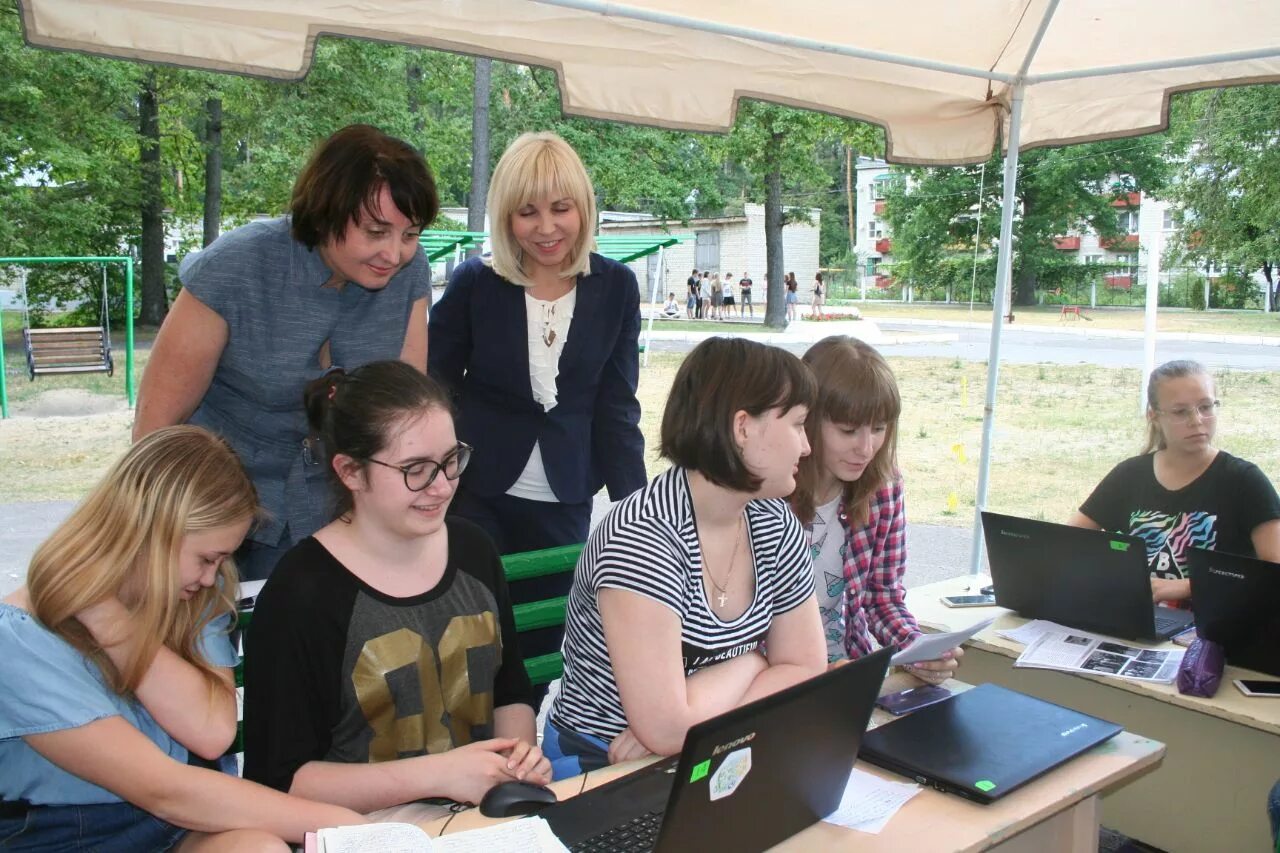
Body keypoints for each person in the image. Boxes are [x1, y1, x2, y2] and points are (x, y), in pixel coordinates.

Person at [0, 426, 362, 851]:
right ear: (145, 534)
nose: (211, 577)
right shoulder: (17, 641)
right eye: (206, 559)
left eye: (223, 560)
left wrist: (107, 614)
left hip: (180, 821)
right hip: (65, 836)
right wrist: (343, 825)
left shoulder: (190, 595)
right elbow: (165, 790)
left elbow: (209, 732)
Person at [243, 361, 549, 820]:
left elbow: (509, 693)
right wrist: (440, 775)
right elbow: (280, 779)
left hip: (481, 815)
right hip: (361, 829)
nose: (442, 486)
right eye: (416, 469)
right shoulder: (301, 593)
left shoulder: (473, 549)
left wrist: (517, 755)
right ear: (350, 472)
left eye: (451, 461)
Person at [133, 124, 439, 581]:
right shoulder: (235, 267)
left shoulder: (410, 276)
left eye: (410, 234)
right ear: (327, 212)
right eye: (375, 231)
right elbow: (154, 428)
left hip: (334, 510)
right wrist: (155, 534)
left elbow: (403, 416)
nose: (394, 254)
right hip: (210, 510)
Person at [544, 338, 827, 779]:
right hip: (600, 762)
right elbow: (666, 727)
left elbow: (807, 667)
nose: (807, 447)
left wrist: (693, 725)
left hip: (705, 748)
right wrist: (755, 662)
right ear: (742, 427)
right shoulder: (643, 539)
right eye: (797, 425)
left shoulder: (774, 521)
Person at [427, 131, 646, 698]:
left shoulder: (617, 287)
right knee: (467, 641)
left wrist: (639, 508)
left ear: (583, 209)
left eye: (560, 208)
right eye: (527, 212)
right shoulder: (477, 281)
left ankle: (516, 757)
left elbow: (617, 406)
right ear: (506, 216)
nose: (546, 228)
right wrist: (434, 472)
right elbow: (435, 386)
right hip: (475, 492)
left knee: (541, 645)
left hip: (565, 496)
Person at [789, 336, 961, 683]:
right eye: (848, 430)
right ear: (807, 420)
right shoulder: (769, 494)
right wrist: (817, 673)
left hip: (850, 675)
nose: (866, 448)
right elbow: (742, 629)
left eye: (879, 429)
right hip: (778, 682)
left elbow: (882, 597)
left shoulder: (884, 487)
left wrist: (917, 650)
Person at [1070, 359, 1280, 605]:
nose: (1197, 420)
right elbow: (1067, 540)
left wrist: (1189, 586)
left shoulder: (1243, 480)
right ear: (1154, 416)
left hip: (1215, 627)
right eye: (1181, 411)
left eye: (1206, 407)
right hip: (1141, 616)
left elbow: (1273, 568)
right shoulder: (1130, 475)